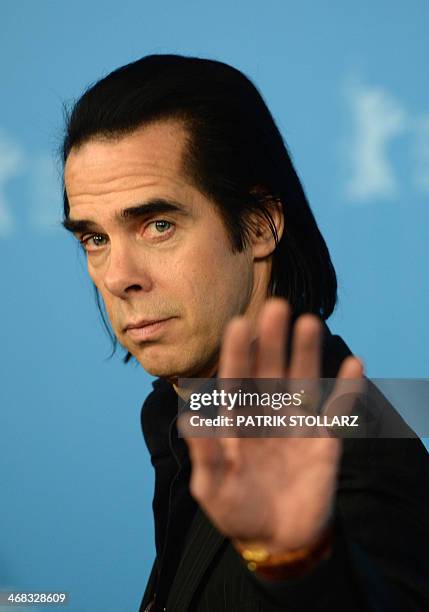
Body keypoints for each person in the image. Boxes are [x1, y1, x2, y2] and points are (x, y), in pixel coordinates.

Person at [61, 54, 429, 611]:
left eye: (158, 225)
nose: (117, 277)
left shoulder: (353, 450)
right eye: (95, 239)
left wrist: (296, 567)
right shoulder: (181, 421)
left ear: (259, 225)